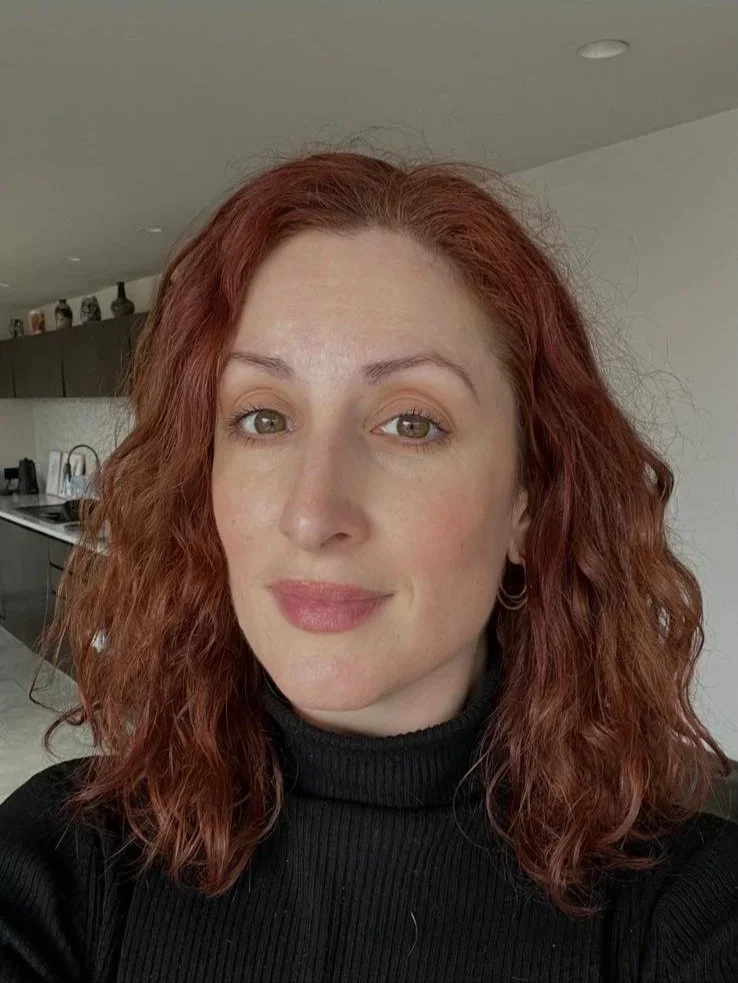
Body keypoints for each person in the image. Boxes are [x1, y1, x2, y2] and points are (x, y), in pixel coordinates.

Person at [1, 149, 736, 982]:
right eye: (264, 418)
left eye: (411, 423)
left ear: (529, 502)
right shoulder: (64, 868)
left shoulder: (684, 910)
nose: (313, 514)